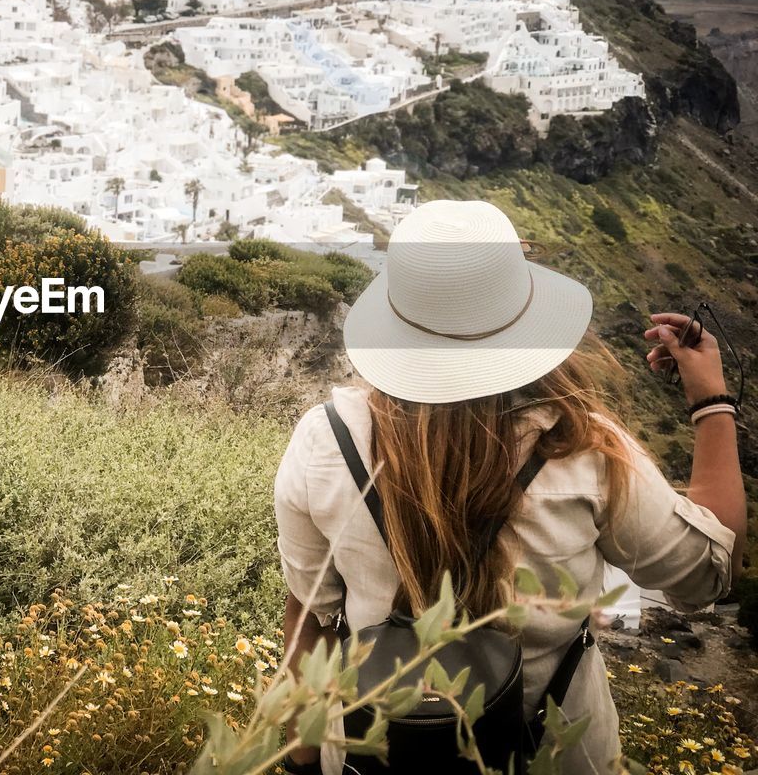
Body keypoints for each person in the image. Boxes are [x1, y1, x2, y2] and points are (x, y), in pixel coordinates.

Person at [276, 199, 744, 774]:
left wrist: (300, 762)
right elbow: (708, 574)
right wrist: (711, 404)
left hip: (371, 758)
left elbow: (309, 620)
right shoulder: (584, 449)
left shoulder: (325, 441)